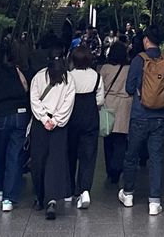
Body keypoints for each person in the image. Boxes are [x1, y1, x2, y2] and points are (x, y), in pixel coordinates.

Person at [118, 24, 164, 216]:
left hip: (140, 115)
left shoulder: (138, 60)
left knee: (131, 155)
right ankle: (154, 201)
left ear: (145, 40)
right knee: (156, 158)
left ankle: (128, 194)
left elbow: (129, 88)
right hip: (160, 117)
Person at [29, 49, 75, 220]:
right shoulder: (69, 79)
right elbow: (68, 103)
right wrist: (55, 120)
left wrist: (44, 118)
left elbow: (34, 100)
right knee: (55, 162)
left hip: (40, 125)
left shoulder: (39, 77)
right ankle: (52, 200)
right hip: (59, 127)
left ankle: (40, 197)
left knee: (38, 161)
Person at [0, 48, 30, 212]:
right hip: (20, 114)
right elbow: (28, 92)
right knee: (15, 155)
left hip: (1, 114)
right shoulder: (24, 73)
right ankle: (9, 198)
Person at [66, 45, 104, 207]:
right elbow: (100, 101)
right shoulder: (96, 76)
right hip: (90, 118)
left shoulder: (68, 76)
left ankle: (69, 189)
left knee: (70, 153)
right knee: (88, 155)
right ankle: (85, 190)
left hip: (71, 119)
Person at [99, 41, 132, 185]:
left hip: (109, 103)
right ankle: (117, 168)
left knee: (108, 138)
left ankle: (110, 169)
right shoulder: (128, 68)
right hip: (124, 104)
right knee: (121, 139)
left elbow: (100, 87)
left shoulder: (105, 68)